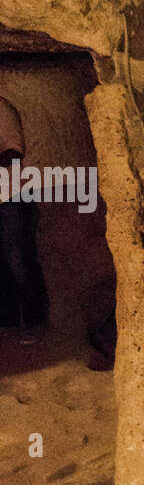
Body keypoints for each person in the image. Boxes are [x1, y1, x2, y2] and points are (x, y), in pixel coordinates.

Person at [0, 94, 49, 337]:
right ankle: (8, 322)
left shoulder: (2, 108)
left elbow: (14, 151)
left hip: (11, 195)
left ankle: (35, 322)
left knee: (19, 260)